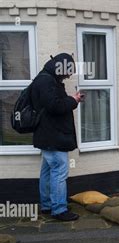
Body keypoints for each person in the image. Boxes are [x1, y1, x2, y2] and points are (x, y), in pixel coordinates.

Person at [31, 53, 84, 221]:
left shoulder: (46, 79)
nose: (69, 75)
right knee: (60, 171)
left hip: (48, 135)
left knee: (47, 171)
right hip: (53, 136)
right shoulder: (46, 81)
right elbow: (55, 106)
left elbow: (52, 105)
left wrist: (71, 100)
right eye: (68, 71)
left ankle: (47, 205)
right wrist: (73, 100)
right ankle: (59, 209)